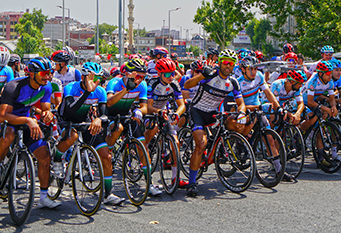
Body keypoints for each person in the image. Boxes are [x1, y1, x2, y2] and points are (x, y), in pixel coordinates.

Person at [0, 57, 61, 209]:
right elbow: (3, 115)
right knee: (8, 137)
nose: (48, 76)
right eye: (44, 73)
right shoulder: (13, 86)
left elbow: (46, 108)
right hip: (7, 119)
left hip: (26, 119)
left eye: (50, 73)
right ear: (32, 74)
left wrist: (48, 114)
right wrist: (28, 120)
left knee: (45, 156)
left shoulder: (46, 87)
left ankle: (44, 197)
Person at [57, 62, 124, 205]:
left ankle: (107, 194)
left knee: (106, 156)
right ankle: (57, 158)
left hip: (84, 121)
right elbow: (70, 111)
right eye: (91, 78)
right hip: (66, 120)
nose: (95, 81)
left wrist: (99, 119)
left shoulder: (100, 91)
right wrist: (87, 91)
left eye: (97, 78)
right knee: (72, 136)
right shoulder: (71, 88)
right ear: (82, 77)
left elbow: (105, 115)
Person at [183, 49, 247, 197]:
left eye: (231, 64)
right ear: (219, 63)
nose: (228, 66)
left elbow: (241, 103)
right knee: (200, 143)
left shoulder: (233, 82)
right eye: (225, 62)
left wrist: (242, 113)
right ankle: (192, 183)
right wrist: (202, 75)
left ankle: (224, 150)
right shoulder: (210, 75)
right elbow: (187, 85)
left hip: (213, 114)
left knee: (235, 123)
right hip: (197, 111)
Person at [105, 58, 160, 196]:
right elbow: (109, 103)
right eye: (137, 76)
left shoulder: (142, 85)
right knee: (118, 129)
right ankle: (108, 150)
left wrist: (139, 111)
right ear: (128, 74)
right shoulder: (114, 82)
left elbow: (145, 107)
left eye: (143, 76)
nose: (140, 79)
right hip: (111, 116)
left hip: (128, 115)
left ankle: (149, 183)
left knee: (143, 147)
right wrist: (126, 89)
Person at [147, 58, 188, 188]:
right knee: (151, 132)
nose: (171, 77)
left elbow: (181, 105)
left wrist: (177, 113)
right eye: (167, 74)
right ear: (159, 74)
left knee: (175, 143)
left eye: (172, 73)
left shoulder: (174, 84)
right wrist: (158, 111)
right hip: (150, 111)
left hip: (164, 111)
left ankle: (176, 177)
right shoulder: (152, 84)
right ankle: (144, 149)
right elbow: (148, 106)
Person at [300, 61, 339, 167]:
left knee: (320, 128)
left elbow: (332, 99)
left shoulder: (330, 81)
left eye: (331, 72)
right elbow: (311, 101)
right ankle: (299, 133)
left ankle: (321, 158)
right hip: (304, 101)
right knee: (312, 118)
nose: (330, 75)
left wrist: (333, 107)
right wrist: (324, 108)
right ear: (320, 73)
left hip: (314, 101)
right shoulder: (313, 81)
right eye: (328, 73)